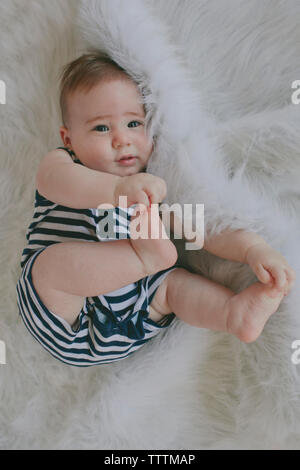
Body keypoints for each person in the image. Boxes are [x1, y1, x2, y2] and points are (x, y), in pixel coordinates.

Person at [16, 51, 296, 367]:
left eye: (133, 123)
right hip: (63, 316)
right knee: (49, 268)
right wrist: (116, 190)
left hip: (132, 320)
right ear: (68, 139)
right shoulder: (65, 164)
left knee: (172, 288)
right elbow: (53, 181)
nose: (122, 139)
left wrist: (253, 250)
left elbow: (204, 231)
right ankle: (145, 258)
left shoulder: (154, 196)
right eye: (101, 129)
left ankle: (234, 314)